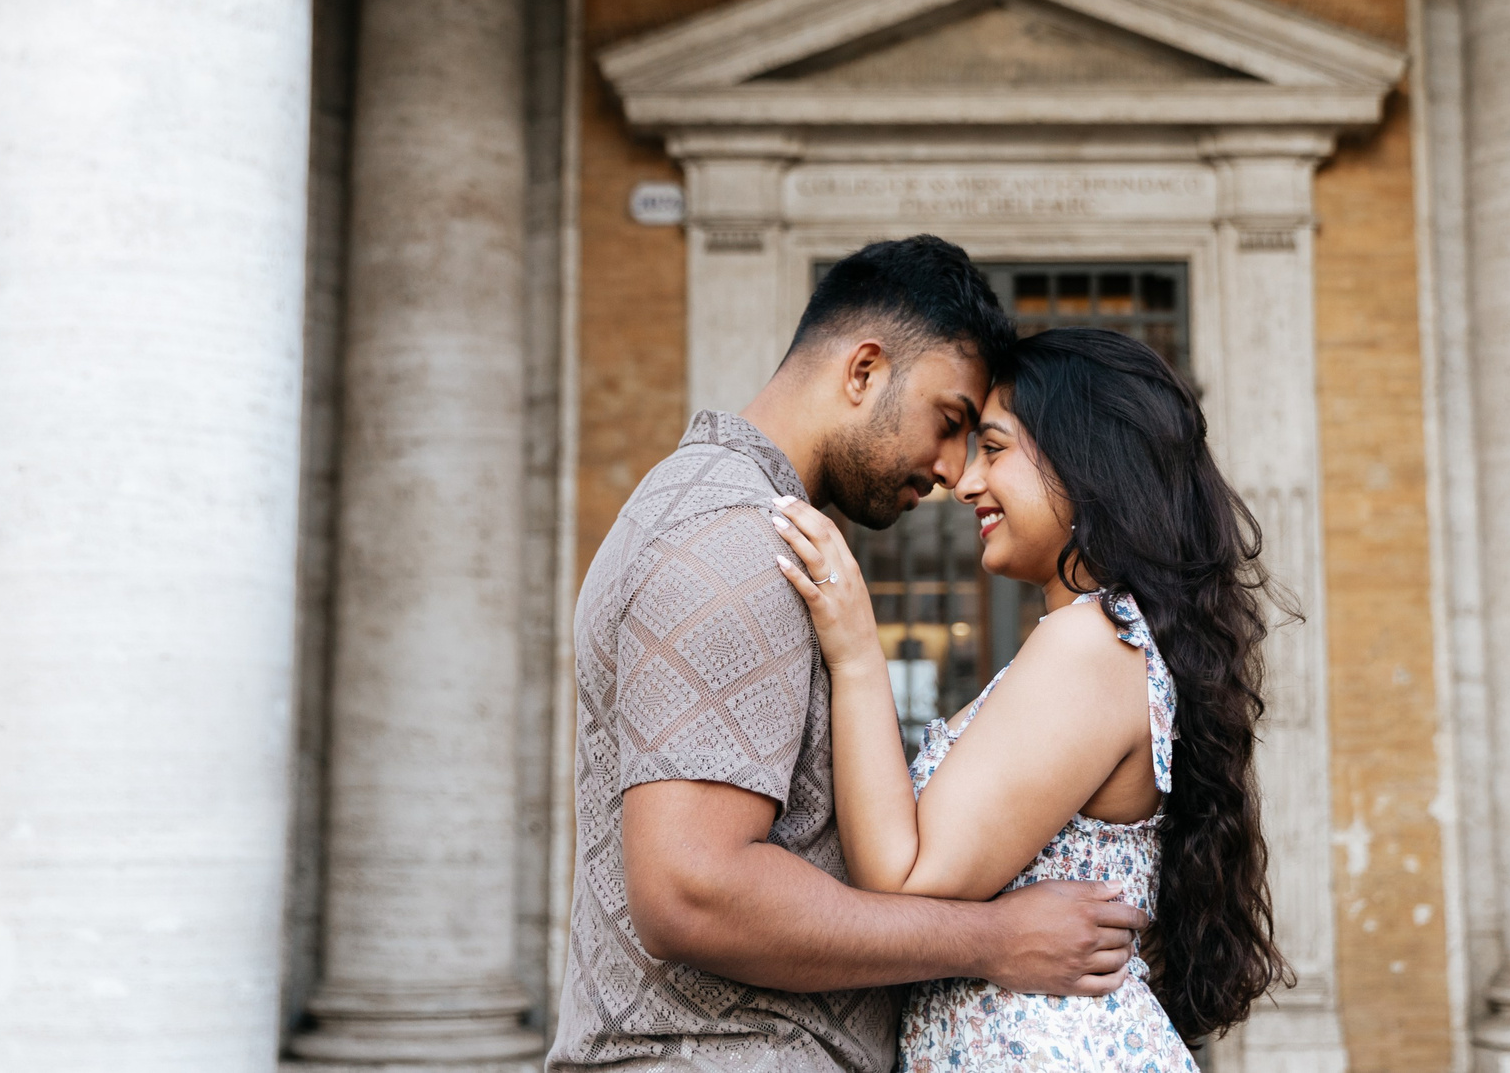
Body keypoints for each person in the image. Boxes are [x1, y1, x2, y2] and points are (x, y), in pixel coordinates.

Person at [551, 237, 1149, 1073]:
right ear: (864, 370)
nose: (951, 471)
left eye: (984, 444)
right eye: (951, 422)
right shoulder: (735, 540)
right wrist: (992, 937)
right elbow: (692, 889)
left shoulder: (737, 520)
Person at [771, 324, 1287, 1072]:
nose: (966, 482)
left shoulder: (1090, 643)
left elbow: (905, 876)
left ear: (1086, 465)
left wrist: (855, 651)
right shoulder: (1100, 638)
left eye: (994, 448)